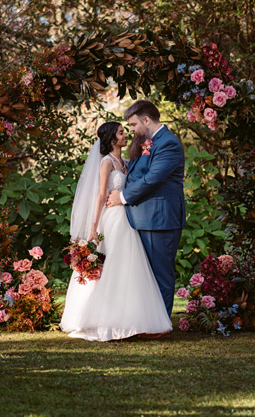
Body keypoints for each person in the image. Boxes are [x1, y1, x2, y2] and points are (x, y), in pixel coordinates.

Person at [60, 121, 172, 341]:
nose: (125, 136)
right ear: (112, 139)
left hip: (127, 217)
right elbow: (101, 194)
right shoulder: (106, 162)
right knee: (112, 264)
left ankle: (130, 317)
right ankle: (102, 316)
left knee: (129, 265)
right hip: (111, 219)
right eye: (121, 133)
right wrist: (93, 227)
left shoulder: (126, 161)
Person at [106, 100, 186, 317]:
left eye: (132, 125)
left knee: (160, 274)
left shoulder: (168, 143)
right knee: (145, 275)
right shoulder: (149, 141)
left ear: (146, 120)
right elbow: (137, 171)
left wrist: (122, 197)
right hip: (143, 217)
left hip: (159, 219)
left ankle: (161, 324)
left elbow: (153, 178)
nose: (130, 130)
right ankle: (149, 321)